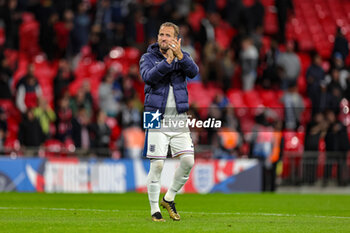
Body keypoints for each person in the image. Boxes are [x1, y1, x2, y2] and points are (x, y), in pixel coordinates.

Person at [139, 22, 199, 222]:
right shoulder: (148, 57)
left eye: (168, 35)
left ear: (176, 39)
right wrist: (167, 62)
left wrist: (180, 57)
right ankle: (155, 209)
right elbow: (148, 77)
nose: (163, 38)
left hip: (178, 118)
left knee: (189, 161)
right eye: (161, 34)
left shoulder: (184, 57)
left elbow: (194, 72)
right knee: (157, 165)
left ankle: (169, 197)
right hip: (155, 115)